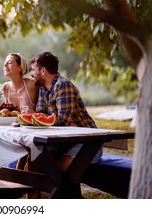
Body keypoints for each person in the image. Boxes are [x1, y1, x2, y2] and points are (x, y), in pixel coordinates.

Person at [24, 51, 102, 197]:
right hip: (63, 141)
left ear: (43, 70)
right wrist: (42, 118)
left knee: (56, 170)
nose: (31, 74)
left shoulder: (63, 86)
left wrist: (47, 119)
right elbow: (40, 117)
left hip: (87, 143)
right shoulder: (43, 89)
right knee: (33, 160)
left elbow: (63, 121)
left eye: (33, 70)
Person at [1, 53, 38, 168]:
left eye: (10, 62)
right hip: (12, 134)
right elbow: (7, 114)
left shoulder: (32, 84)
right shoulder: (6, 87)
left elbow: (43, 109)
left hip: (31, 134)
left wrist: (33, 111)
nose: (5, 65)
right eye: (5, 63)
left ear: (20, 67)